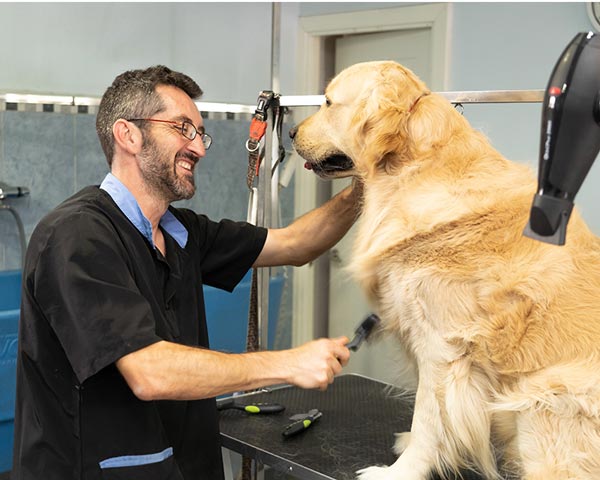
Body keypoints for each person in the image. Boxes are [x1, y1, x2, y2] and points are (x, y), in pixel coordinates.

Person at [11, 65, 360, 480]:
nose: (200, 147)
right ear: (128, 135)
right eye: (183, 128)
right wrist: (289, 364)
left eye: (200, 132)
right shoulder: (76, 235)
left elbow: (296, 244)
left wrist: (371, 182)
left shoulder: (182, 232)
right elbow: (149, 372)